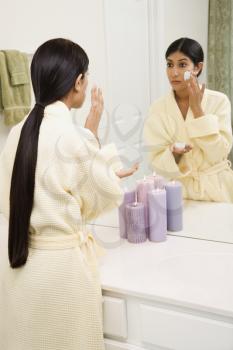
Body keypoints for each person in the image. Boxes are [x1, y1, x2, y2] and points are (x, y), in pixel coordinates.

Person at [0, 38, 138, 350]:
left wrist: (88, 141)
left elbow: (23, 194)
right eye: (85, 78)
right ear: (78, 82)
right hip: (61, 277)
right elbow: (95, 201)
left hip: (19, 270)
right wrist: (92, 136)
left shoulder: (16, 133)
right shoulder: (71, 137)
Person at [144, 37, 233, 202]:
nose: (174, 72)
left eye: (182, 64)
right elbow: (155, 161)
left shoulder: (219, 101)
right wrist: (174, 154)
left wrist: (198, 110)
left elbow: (220, 153)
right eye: (169, 64)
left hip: (217, 189)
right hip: (178, 192)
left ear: (198, 67)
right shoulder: (158, 108)